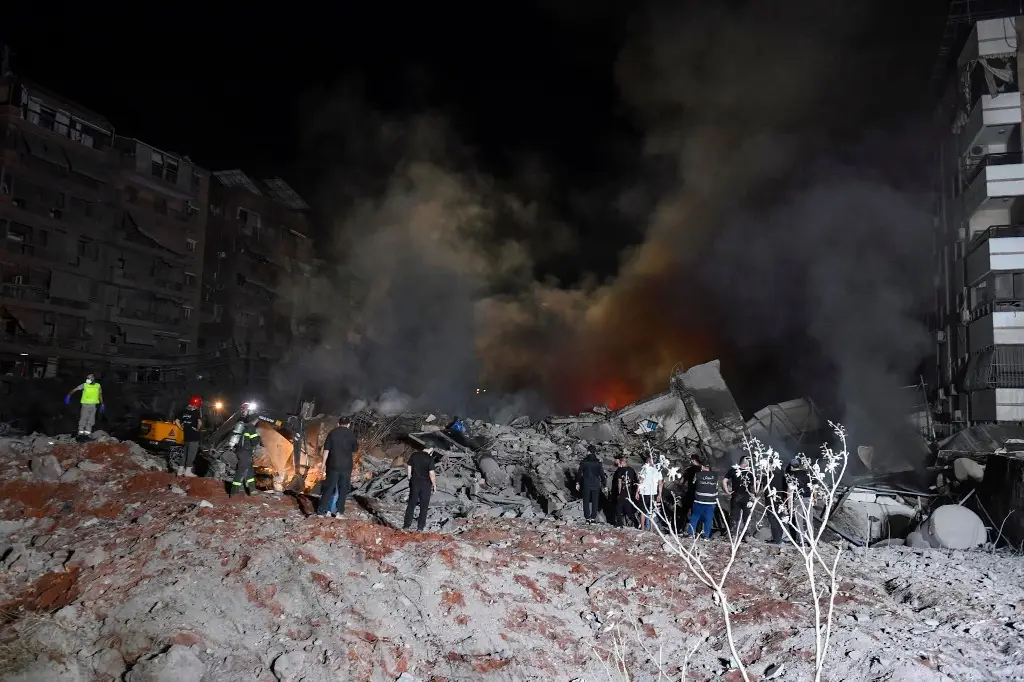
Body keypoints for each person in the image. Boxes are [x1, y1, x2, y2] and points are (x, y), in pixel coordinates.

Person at [316, 416, 358, 518]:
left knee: (329, 488)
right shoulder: (351, 434)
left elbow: (326, 450)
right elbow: (355, 449)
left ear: (338, 424)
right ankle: (339, 512)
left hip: (333, 464)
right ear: (348, 424)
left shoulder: (332, 433)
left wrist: (323, 464)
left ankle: (322, 512)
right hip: (346, 466)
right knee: (343, 490)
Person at [403, 446, 437, 531]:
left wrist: (409, 477)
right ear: (430, 449)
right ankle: (420, 528)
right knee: (424, 506)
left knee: (411, 504)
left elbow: (409, 466)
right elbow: (431, 473)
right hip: (426, 485)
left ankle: (406, 526)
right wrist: (434, 484)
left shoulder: (414, 455)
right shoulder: (429, 458)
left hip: (414, 482)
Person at [723, 455, 755, 540]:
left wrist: (727, 491)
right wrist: (754, 494)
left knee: (735, 516)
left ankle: (734, 535)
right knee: (746, 516)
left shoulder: (734, 470)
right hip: (746, 497)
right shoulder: (750, 472)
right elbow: (757, 483)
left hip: (736, 496)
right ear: (745, 462)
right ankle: (746, 535)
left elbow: (724, 481)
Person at [686, 459, 719, 538]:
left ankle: (691, 534)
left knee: (695, 517)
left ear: (702, 466)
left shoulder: (698, 474)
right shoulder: (715, 475)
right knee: (708, 519)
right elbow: (716, 486)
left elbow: (693, 484)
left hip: (699, 500)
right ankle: (706, 536)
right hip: (711, 502)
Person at [230, 415, 261, 497]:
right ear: (255, 420)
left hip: (241, 451)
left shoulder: (244, 426)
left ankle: (252, 489)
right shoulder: (251, 428)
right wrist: (259, 437)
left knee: (250, 471)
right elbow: (254, 442)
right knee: (241, 471)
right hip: (245, 452)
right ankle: (233, 491)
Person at [787, 456, 815, 543]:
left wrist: (789, 503)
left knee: (799, 520)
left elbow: (789, 490)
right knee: (809, 520)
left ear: (791, 466)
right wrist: (815, 497)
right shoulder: (808, 473)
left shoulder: (791, 475)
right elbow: (814, 487)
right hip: (808, 498)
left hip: (797, 499)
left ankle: (801, 541)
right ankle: (811, 540)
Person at [576, 446, 607, 523]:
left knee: (586, 501)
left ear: (588, 451)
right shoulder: (598, 462)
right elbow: (602, 474)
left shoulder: (584, 461)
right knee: (595, 501)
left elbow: (579, 473)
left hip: (586, 484)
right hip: (596, 484)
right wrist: (604, 485)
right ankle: (593, 518)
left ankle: (587, 518)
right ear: (595, 452)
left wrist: (577, 482)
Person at [763, 463, 792, 545]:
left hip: (770, 501)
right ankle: (778, 538)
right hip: (781, 501)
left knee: (773, 520)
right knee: (779, 520)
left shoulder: (766, 477)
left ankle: (777, 540)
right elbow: (786, 489)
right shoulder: (782, 477)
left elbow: (764, 489)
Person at [174, 395, 203, 477]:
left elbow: (176, 421)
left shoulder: (184, 412)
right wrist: (197, 429)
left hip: (186, 435)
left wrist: (181, 428)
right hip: (194, 437)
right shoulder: (196, 412)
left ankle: (180, 470)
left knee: (185, 453)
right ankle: (188, 471)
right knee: (192, 453)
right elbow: (199, 423)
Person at [635, 452, 663, 531]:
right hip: (651, 493)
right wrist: (659, 494)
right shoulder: (657, 470)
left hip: (645, 492)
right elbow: (660, 483)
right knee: (651, 511)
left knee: (644, 511)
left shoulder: (645, 469)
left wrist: (637, 491)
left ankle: (644, 528)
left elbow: (640, 481)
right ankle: (649, 529)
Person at [611, 455, 639, 527]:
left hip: (623, 491)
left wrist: (619, 491)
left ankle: (619, 523)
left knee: (618, 507)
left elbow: (619, 481)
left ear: (622, 462)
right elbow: (635, 480)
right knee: (628, 508)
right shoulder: (631, 470)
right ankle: (636, 522)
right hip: (629, 491)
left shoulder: (620, 470)